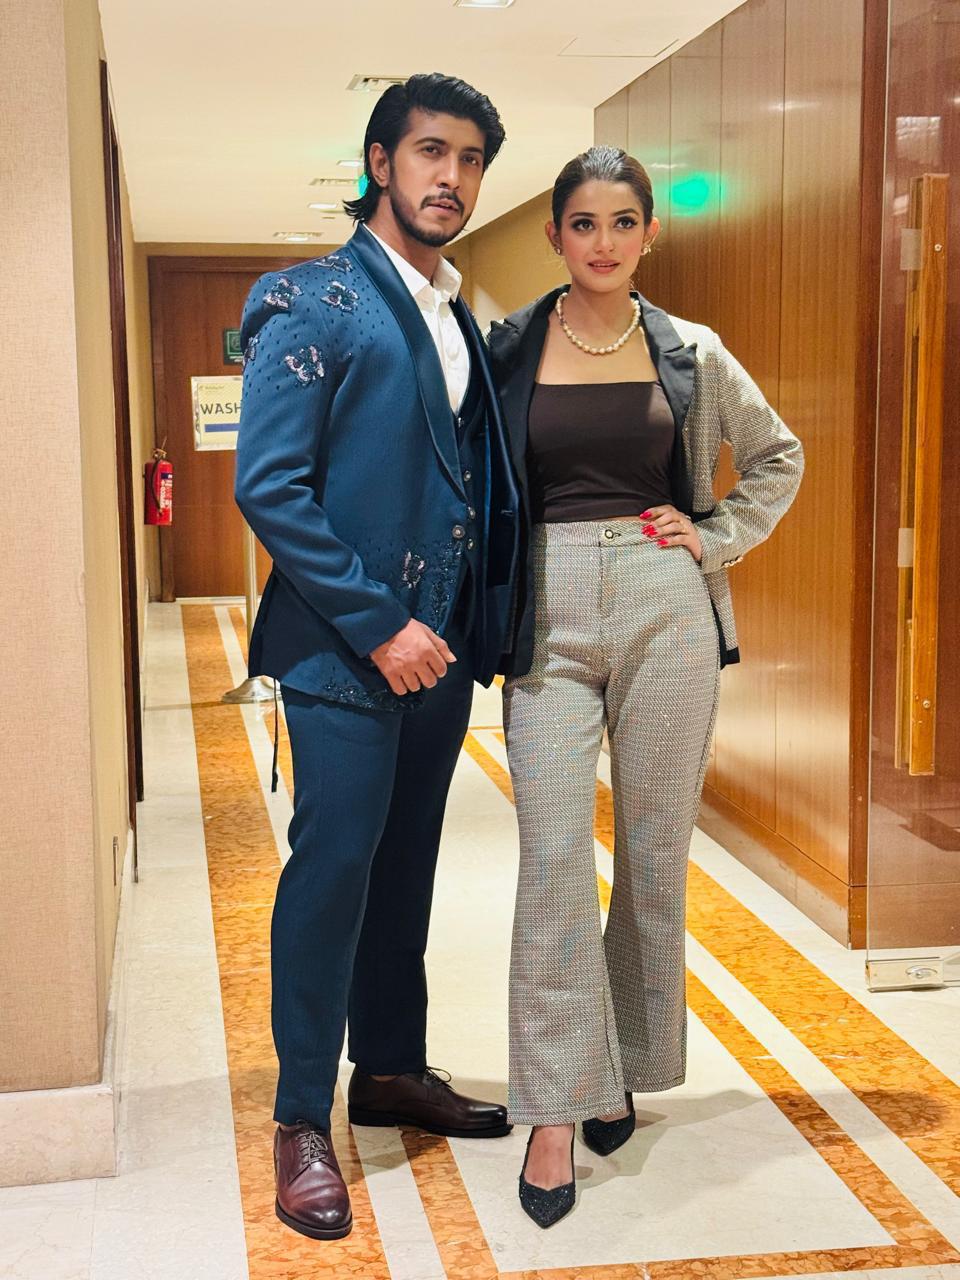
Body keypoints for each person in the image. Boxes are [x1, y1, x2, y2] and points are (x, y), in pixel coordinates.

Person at [487, 145, 803, 1229]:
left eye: (624, 222)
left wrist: (717, 534)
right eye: (584, 223)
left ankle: (618, 1066)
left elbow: (777, 456)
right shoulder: (511, 347)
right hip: (549, 609)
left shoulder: (692, 350)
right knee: (553, 859)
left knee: (656, 852)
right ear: (555, 234)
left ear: (649, 234)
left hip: (668, 602)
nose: (604, 242)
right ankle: (553, 1108)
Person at [235, 73, 520, 1242]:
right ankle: (301, 1114)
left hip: (437, 651)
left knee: (406, 866)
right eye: (430, 152)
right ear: (380, 162)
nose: (450, 177)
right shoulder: (308, 298)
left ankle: (392, 1066)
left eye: (470, 159)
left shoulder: (459, 314)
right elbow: (271, 485)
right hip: (349, 650)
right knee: (334, 869)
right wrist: (377, 622)